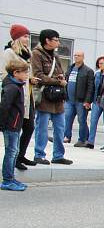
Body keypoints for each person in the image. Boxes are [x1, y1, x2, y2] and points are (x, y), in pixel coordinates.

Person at [31, 29, 72, 165]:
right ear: (47, 40)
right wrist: (57, 81)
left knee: (60, 127)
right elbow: (38, 75)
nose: (58, 42)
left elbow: (61, 72)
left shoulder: (55, 56)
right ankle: (39, 154)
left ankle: (58, 155)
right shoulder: (36, 54)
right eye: (56, 39)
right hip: (44, 97)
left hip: (57, 97)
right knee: (42, 127)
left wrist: (60, 77)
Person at [2, 26, 37, 171]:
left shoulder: (27, 53)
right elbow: (3, 74)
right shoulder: (9, 53)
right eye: (24, 36)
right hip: (15, 94)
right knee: (16, 129)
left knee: (29, 127)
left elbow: (26, 73)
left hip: (27, 95)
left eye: (28, 37)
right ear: (16, 38)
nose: (27, 40)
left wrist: (30, 79)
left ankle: (20, 155)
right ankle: (14, 159)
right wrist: (18, 82)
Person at [1, 59, 30, 191]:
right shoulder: (12, 87)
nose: (26, 75)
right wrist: (2, 124)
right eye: (25, 72)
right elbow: (4, 106)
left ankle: (11, 178)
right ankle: (7, 180)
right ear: (16, 73)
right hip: (11, 125)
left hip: (15, 124)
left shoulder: (16, 85)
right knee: (11, 152)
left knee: (14, 151)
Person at [62, 51, 94, 146]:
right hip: (69, 100)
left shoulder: (88, 71)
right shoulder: (70, 68)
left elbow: (90, 87)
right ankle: (66, 137)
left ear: (83, 57)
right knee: (67, 118)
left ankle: (83, 139)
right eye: (75, 55)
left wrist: (87, 101)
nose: (76, 57)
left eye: (78, 55)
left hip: (81, 101)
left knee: (81, 120)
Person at [87, 56, 104, 150]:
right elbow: (93, 88)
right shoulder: (97, 74)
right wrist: (89, 101)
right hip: (96, 101)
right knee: (93, 121)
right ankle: (90, 142)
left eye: (102, 63)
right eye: (99, 63)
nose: (100, 65)